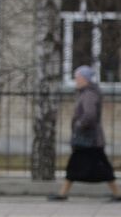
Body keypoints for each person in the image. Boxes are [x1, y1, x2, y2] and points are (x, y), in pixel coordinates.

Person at [50, 65, 121, 201]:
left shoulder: (89, 94)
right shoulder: (86, 92)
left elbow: (90, 115)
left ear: (85, 79)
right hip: (89, 139)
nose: (76, 80)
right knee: (84, 166)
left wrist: (79, 124)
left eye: (78, 77)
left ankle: (63, 194)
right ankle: (63, 193)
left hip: (90, 138)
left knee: (99, 167)